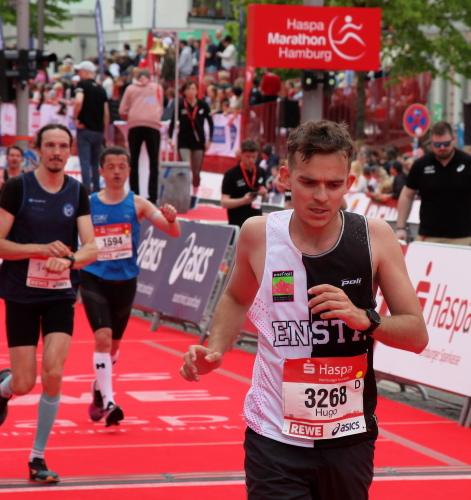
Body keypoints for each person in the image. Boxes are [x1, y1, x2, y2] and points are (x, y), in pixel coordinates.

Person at [179, 120, 428, 500]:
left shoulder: (374, 237)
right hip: (272, 435)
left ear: (350, 182)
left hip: (348, 437)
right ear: (285, 178)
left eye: (334, 184)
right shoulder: (258, 234)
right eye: (308, 182)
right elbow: (237, 298)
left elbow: (416, 335)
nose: (321, 197)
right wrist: (215, 348)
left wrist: (365, 319)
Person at [0, 124, 98, 483]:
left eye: (63, 146)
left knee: (54, 372)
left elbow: (92, 248)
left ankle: (37, 457)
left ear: (70, 151)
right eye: (50, 145)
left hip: (60, 293)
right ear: (38, 149)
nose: (57, 152)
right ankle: (4, 386)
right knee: (24, 383)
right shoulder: (18, 188)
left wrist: (70, 260)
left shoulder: (77, 191)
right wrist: (39, 250)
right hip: (20, 294)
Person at [81, 146, 181, 427]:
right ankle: (109, 401)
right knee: (102, 338)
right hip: (93, 277)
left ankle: (98, 387)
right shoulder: (87, 204)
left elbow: (173, 231)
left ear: (128, 170)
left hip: (125, 281)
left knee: (113, 347)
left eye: (121, 166)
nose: (116, 171)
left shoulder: (138, 204)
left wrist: (172, 218)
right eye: (110, 166)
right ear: (101, 171)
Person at [396, 121, 471, 246]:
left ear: (453, 139)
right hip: (428, 236)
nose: (442, 148)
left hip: (462, 237)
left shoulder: (469, 163)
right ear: (431, 143)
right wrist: (400, 227)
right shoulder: (421, 165)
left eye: (446, 143)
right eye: (437, 144)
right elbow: (407, 194)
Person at [119, 69, 163, 204]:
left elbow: (122, 110)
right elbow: (160, 107)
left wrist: (131, 117)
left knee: (134, 161)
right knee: (154, 163)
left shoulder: (130, 89)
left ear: (137, 77)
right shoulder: (157, 87)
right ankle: (153, 197)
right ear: (149, 77)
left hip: (135, 126)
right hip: (153, 125)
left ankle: (134, 195)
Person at [168, 81, 213, 209]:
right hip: (183, 141)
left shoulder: (203, 105)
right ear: (184, 92)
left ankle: (194, 195)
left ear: (197, 91)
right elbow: (173, 122)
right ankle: (185, 194)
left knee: (196, 171)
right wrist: (170, 138)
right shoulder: (180, 104)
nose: (191, 91)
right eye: (189, 89)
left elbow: (211, 122)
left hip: (198, 141)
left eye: (193, 88)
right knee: (185, 168)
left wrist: (210, 140)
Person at [73, 60, 109, 193]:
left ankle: (86, 190)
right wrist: (104, 131)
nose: (78, 74)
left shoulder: (82, 85)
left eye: (80, 71)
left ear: (85, 72)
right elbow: (106, 113)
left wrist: (75, 118)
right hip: (98, 131)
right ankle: (97, 189)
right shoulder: (101, 89)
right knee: (96, 163)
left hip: (85, 129)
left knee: (85, 161)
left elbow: (78, 101)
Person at [221, 139, 268, 227]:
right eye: (248, 156)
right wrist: (243, 201)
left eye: (254, 157)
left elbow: (264, 199)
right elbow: (224, 202)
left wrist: (264, 194)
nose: (251, 160)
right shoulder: (231, 174)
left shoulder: (260, 172)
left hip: (257, 221)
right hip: (238, 222)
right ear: (241, 154)